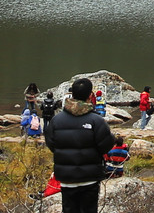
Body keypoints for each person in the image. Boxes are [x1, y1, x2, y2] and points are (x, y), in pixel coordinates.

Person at [48, 76, 117, 213]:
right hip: (89, 178)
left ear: (72, 94)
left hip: (66, 178)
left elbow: (51, 144)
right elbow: (107, 145)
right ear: (90, 95)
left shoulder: (56, 121)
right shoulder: (96, 120)